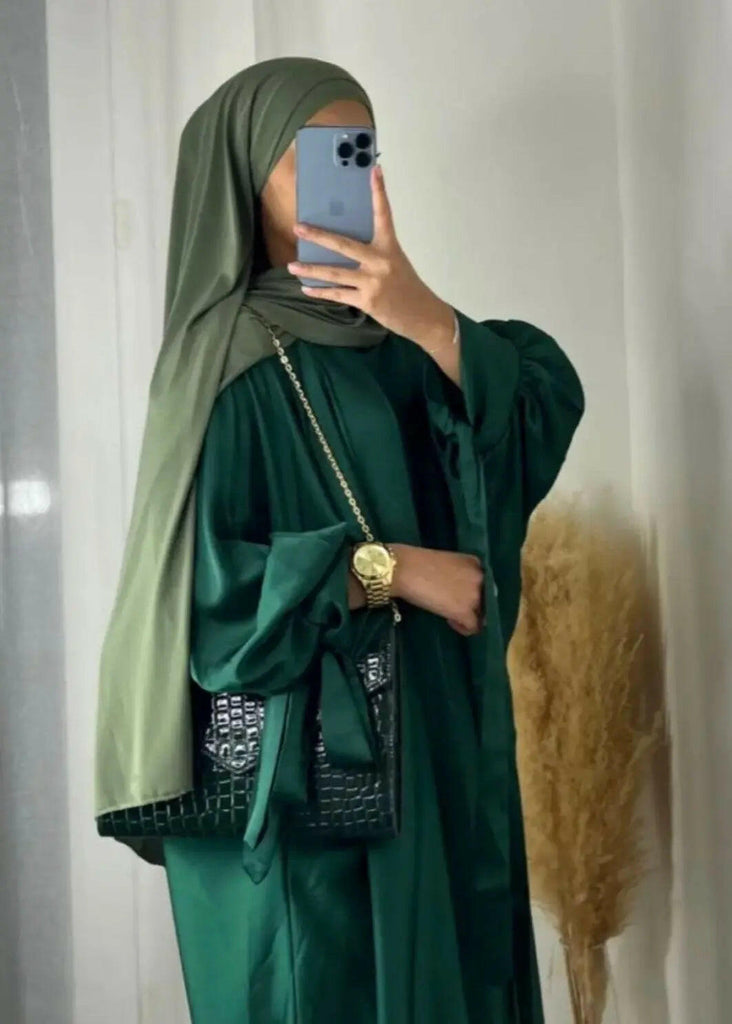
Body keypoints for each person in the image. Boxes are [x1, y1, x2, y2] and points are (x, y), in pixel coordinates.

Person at [93, 56, 585, 1024]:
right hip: (300, 790)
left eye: (360, 152)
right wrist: (393, 570)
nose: (349, 178)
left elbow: (534, 406)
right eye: (316, 157)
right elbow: (208, 595)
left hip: (430, 761)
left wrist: (424, 316)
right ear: (245, 184)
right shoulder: (223, 363)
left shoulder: (400, 345)